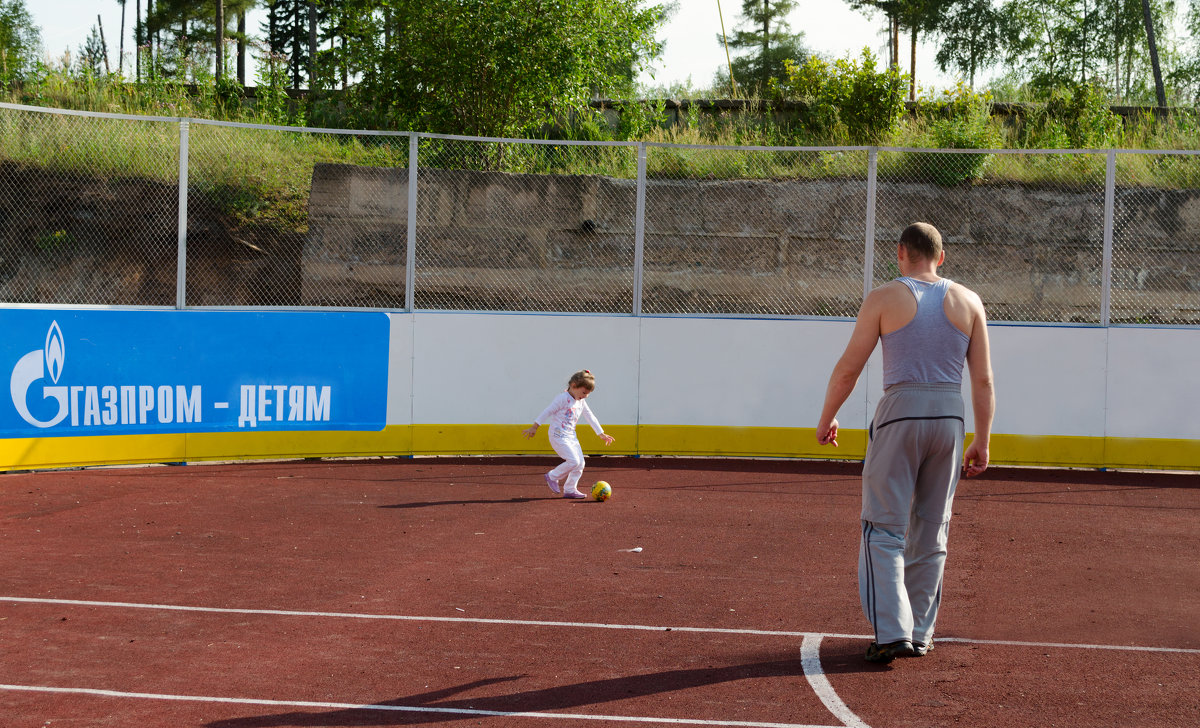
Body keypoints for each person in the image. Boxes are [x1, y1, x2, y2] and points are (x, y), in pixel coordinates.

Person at [816, 222, 995, 664]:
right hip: (949, 418)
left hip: (900, 413)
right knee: (933, 529)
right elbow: (984, 380)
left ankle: (892, 632)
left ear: (901, 253)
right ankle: (919, 632)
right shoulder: (969, 301)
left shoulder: (884, 297)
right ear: (941, 256)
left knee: (884, 527)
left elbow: (848, 369)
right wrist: (983, 440)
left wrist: (827, 418)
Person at [523, 370, 615, 499]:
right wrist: (534, 427)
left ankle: (570, 489)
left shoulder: (581, 401)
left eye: (588, 394)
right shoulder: (562, 399)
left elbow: (590, 416)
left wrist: (601, 433)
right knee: (573, 461)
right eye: (584, 392)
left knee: (580, 463)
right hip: (558, 435)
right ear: (573, 385)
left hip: (571, 436)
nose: (585, 396)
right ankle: (552, 476)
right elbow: (547, 411)